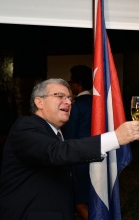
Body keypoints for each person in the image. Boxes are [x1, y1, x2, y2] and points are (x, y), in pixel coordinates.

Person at [0, 78, 139, 220]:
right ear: (39, 102)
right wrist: (115, 138)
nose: (68, 102)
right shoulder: (25, 126)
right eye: (59, 96)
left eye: (70, 98)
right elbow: (56, 152)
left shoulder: (57, 134)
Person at [63, 65, 93, 220]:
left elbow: (70, 137)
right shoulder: (98, 104)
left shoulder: (76, 106)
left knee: (80, 203)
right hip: (98, 155)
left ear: (79, 84)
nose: (70, 86)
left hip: (80, 160)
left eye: (71, 82)